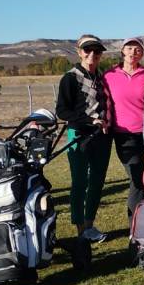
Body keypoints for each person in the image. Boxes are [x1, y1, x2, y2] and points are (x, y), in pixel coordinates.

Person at [56, 35, 113, 243]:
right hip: (78, 136)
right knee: (80, 182)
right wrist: (90, 120)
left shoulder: (101, 77)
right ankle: (80, 228)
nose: (92, 55)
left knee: (97, 182)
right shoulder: (70, 78)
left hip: (102, 138)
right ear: (79, 52)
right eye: (87, 50)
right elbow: (62, 110)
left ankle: (90, 225)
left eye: (97, 52)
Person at [103, 37, 144, 221]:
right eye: (129, 48)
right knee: (136, 177)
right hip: (124, 136)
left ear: (142, 53)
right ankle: (135, 223)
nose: (133, 52)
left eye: (137, 49)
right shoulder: (109, 76)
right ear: (122, 51)